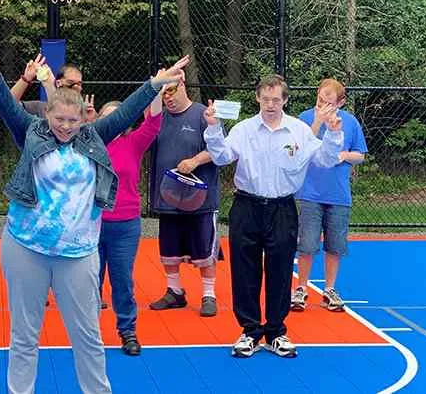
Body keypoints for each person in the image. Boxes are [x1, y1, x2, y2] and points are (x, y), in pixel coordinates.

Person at [0, 40, 187, 394]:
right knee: (24, 335)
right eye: (60, 119)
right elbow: (5, 107)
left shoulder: (93, 135)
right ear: (48, 115)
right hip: (26, 246)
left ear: (84, 119)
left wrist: (155, 84)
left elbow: (126, 113)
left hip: (78, 252)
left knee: (87, 335)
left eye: (73, 120)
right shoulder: (30, 130)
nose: (66, 127)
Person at [203, 74, 343, 359]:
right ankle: (250, 331)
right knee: (244, 270)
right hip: (247, 206)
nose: (270, 105)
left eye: (276, 99)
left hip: (282, 208)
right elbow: (220, 157)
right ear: (257, 98)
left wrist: (334, 133)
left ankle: (277, 332)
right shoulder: (243, 130)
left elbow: (326, 160)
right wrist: (213, 128)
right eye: (265, 99)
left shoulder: (300, 131)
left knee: (280, 270)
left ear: (285, 100)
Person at [292, 78, 367, 313]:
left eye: (329, 103)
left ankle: (330, 290)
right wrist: (317, 121)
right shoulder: (305, 118)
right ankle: (301, 288)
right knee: (307, 243)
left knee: (335, 245)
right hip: (310, 192)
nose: (323, 105)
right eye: (320, 100)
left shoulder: (350, 122)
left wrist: (344, 155)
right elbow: (298, 147)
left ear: (341, 103)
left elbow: (360, 155)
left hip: (338, 194)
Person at [97, 92, 163, 356]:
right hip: (91, 224)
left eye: (117, 116)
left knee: (122, 281)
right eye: (106, 117)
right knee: (89, 282)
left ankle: (127, 331)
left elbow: (154, 122)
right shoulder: (89, 143)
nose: (112, 121)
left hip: (125, 225)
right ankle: (89, 334)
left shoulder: (134, 142)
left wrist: (158, 87)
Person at [147, 80, 220, 317]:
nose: (167, 97)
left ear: (183, 85)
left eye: (171, 90)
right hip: (168, 196)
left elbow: (221, 150)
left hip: (200, 199)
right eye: (163, 92)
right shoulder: (159, 118)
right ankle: (174, 292)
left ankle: (209, 295)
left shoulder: (203, 114)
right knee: (169, 248)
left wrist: (195, 161)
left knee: (204, 249)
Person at [12, 56, 97, 121]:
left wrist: (90, 121)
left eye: (79, 84)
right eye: (70, 82)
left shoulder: (85, 114)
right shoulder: (39, 108)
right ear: (58, 83)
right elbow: (8, 104)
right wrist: (26, 79)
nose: (75, 87)